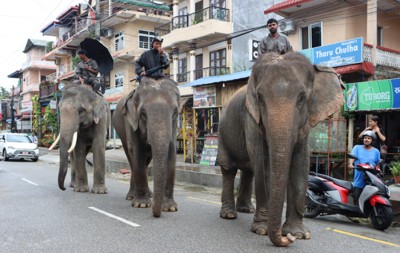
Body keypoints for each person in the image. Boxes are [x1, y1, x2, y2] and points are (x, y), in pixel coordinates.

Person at [348, 130, 380, 205]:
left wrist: (379, 170)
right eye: (365, 138)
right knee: (356, 197)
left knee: (370, 198)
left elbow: (377, 163)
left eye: (369, 138)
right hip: (359, 177)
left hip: (371, 178)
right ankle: (356, 213)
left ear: (372, 140)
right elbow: (353, 157)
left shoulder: (376, 151)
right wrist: (350, 164)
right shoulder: (357, 148)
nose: (366, 139)